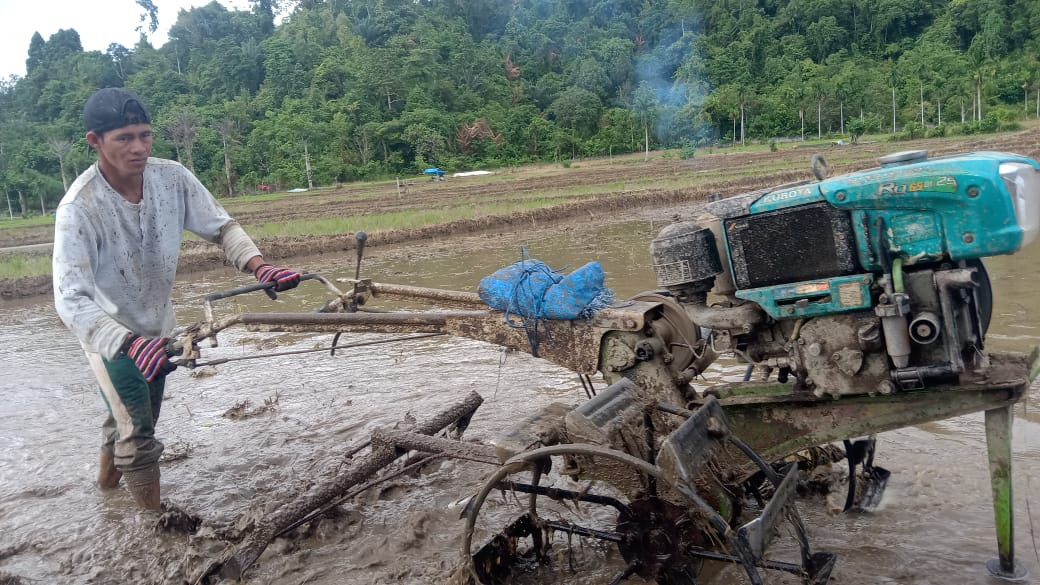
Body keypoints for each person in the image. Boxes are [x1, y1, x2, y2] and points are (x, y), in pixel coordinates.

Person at [52, 87, 302, 510]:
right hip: (110, 337)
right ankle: (155, 529)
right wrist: (129, 343)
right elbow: (70, 298)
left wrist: (260, 267)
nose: (139, 148)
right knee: (138, 434)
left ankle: (106, 499)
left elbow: (222, 228)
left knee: (128, 418)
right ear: (95, 141)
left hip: (159, 326)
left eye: (145, 135)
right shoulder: (80, 207)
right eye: (125, 138)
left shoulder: (172, 178)